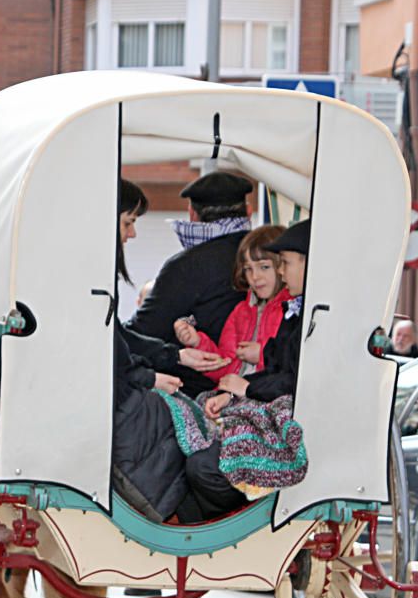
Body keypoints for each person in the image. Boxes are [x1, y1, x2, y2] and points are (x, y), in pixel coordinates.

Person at [111, 179, 229, 523]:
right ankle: (176, 518)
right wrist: (150, 378)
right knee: (174, 415)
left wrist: (176, 356)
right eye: (127, 222)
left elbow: (119, 339)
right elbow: (111, 347)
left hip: (121, 393)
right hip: (120, 404)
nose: (131, 234)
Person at [187, 219, 312, 519]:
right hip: (255, 398)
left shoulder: (297, 313)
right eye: (249, 269)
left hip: (275, 410)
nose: (280, 272)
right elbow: (232, 361)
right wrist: (229, 391)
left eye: (283, 264)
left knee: (203, 467)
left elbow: (293, 378)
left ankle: (243, 521)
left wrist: (245, 387)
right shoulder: (285, 312)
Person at [127, 171, 253, 395]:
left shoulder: (186, 266)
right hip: (256, 386)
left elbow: (143, 332)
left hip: (194, 392)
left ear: (192, 214)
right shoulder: (268, 256)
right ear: (249, 211)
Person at [173, 225, 291, 381]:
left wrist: (263, 356)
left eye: (264, 267)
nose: (255, 276)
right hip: (231, 393)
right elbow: (224, 365)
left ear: (283, 266)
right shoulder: (241, 312)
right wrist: (198, 342)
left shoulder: (292, 310)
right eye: (248, 269)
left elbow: (295, 365)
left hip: (265, 396)